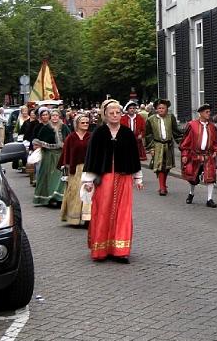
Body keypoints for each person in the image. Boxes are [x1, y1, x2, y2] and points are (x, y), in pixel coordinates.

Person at [81, 99, 143, 263]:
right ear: (105, 115)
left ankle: (120, 250)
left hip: (124, 177)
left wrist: (138, 178)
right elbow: (92, 157)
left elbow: (134, 157)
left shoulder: (127, 133)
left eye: (117, 113)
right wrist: (88, 180)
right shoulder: (99, 133)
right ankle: (101, 249)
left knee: (123, 213)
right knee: (102, 211)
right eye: (111, 113)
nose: (115, 115)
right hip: (105, 178)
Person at [179, 103, 217, 207]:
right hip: (195, 155)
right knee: (193, 178)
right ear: (200, 113)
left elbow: (216, 141)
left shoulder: (212, 127)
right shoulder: (192, 125)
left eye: (209, 112)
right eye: (206, 112)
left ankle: (209, 199)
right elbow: (186, 141)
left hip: (208, 156)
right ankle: (191, 193)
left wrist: (215, 151)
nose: (209, 114)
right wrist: (184, 154)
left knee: (211, 177)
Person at [58, 113, 92, 227]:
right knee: (75, 193)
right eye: (83, 122)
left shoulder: (91, 137)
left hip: (88, 168)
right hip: (75, 169)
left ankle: (87, 218)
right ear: (77, 124)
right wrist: (66, 167)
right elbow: (66, 153)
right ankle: (73, 218)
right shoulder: (71, 138)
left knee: (88, 193)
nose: (85, 124)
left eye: (87, 122)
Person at [32, 107, 69, 206]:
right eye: (53, 115)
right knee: (49, 176)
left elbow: (69, 138)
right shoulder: (46, 128)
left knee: (60, 176)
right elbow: (38, 140)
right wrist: (42, 145)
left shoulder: (64, 127)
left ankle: (59, 197)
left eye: (56, 115)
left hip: (61, 155)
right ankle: (49, 197)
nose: (55, 117)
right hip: (49, 155)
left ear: (59, 116)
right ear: (50, 117)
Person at [146, 98, 183, 195]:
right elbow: (148, 135)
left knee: (167, 166)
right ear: (156, 109)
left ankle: (163, 184)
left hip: (168, 145)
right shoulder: (151, 119)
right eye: (159, 108)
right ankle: (162, 187)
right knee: (160, 166)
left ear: (166, 109)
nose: (161, 110)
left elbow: (175, 131)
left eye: (163, 108)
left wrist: (181, 143)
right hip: (157, 145)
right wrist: (151, 148)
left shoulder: (171, 117)